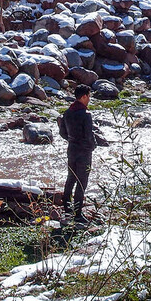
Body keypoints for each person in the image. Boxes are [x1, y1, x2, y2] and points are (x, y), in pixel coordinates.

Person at [59, 84, 102, 224]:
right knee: (82, 182)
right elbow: (89, 136)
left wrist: (72, 140)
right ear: (83, 96)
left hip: (71, 150)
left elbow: (62, 133)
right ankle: (78, 214)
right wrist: (93, 147)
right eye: (88, 96)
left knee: (70, 178)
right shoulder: (86, 114)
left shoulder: (67, 112)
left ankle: (67, 210)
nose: (89, 99)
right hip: (84, 152)